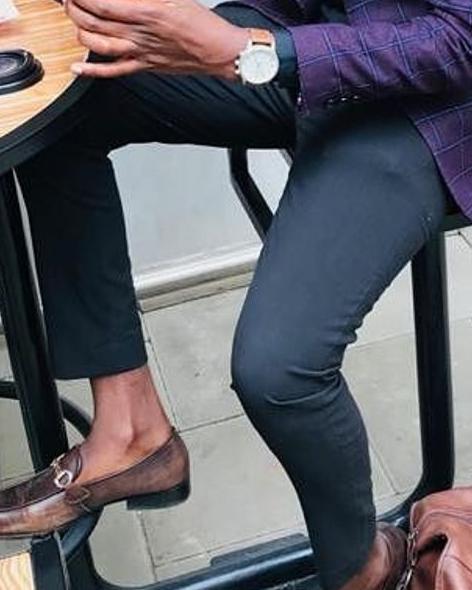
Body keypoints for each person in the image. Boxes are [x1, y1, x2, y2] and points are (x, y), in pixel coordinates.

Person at [0, 0, 470, 588]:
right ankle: (131, 430)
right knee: (70, 89)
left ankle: (365, 568)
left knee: (279, 369)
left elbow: (461, 39)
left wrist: (248, 52)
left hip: (430, 102)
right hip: (309, 24)